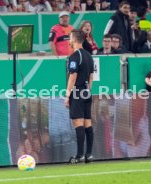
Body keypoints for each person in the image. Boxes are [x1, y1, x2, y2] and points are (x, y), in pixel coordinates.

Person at [65, 29, 94, 163]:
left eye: (70, 38)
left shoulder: (75, 56)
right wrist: (88, 90)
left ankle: (79, 155)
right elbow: (91, 75)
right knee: (87, 122)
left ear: (75, 40)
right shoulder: (89, 55)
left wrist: (67, 95)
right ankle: (89, 154)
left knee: (78, 122)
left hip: (77, 91)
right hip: (86, 91)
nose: (69, 40)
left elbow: (73, 76)